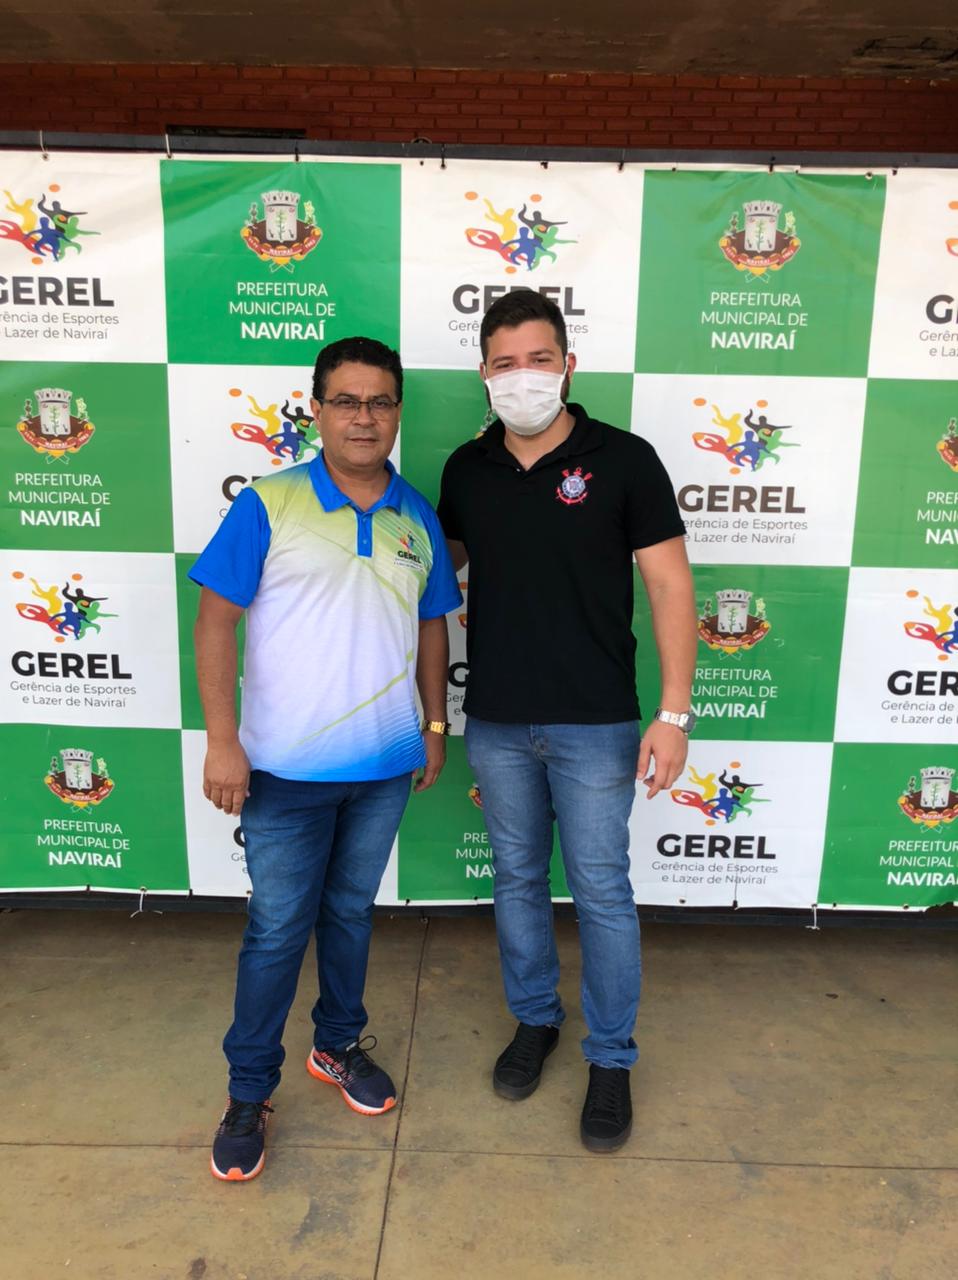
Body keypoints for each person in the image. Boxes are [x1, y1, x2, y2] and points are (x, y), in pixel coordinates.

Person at [191, 336, 461, 1182]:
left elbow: (431, 624)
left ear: (397, 411)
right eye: (346, 401)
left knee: (348, 914)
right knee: (277, 931)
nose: (363, 417)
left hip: (382, 768)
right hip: (282, 773)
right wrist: (223, 740)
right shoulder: (268, 503)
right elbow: (215, 622)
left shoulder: (417, 514)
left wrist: (434, 724)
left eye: (380, 402)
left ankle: (337, 1044)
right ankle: (248, 1091)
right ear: (316, 410)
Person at [437, 290, 697, 1153]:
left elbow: (670, 586)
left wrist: (673, 713)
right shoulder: (467, 469)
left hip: (597, 724)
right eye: (505, 363)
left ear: (568, 366)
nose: (524, 377)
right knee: (516, 880)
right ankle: (536, 1020)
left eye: (539, 359)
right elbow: (433, 574)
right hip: (497, 721)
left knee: (601, 892)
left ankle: (611, 1058)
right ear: (484, 374)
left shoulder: (623, 460)